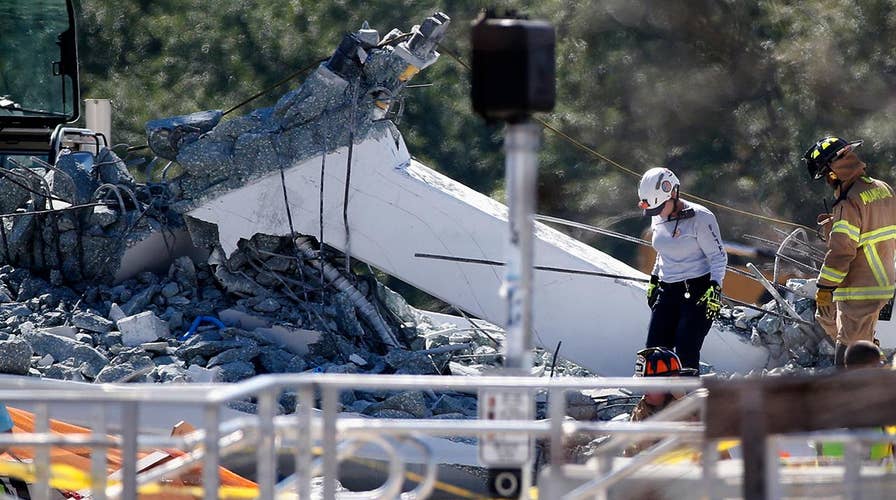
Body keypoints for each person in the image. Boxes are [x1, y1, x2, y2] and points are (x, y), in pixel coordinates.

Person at [802, 136, 896, 367]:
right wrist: (836, 223)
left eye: (825, 175)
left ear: (833, 172)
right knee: (827, 317)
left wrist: (824, 287)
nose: (827, 181)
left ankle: (860, 396)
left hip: (860, 289)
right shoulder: (881, 188)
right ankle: (878, 368)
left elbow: (842, 252)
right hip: (881, 281)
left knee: (847, 361)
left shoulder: (848, 202)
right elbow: (873, 225)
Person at [637, 167, 727, 373]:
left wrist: (715, 287)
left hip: (698, 291)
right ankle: (657, 403)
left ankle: (688, 402)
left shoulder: (701, 218)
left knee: (686, 352)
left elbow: (719, 257)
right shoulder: (658, 215)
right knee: (654, 352)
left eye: (660, 207)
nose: (657, 213)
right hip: (667, 290)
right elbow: (663, 251)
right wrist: (654, 277)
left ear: (674, 193)